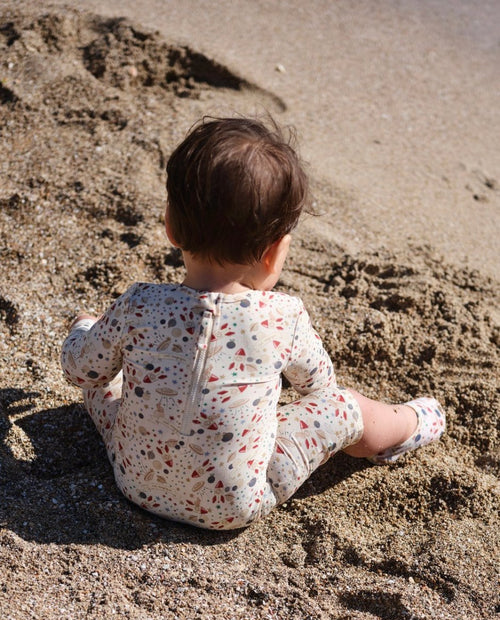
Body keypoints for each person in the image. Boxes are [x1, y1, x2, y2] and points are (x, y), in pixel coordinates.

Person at [61, 117, 445, 530]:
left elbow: (79, 371)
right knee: (343, 407)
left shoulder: (139, 303)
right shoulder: (284, 318)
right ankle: (409, 425)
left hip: (135, 481)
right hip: (235, 504)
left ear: (170, 226)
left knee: (103, 379)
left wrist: (84, 329)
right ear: (275, 253)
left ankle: (92, 333)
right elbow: (319, 388)